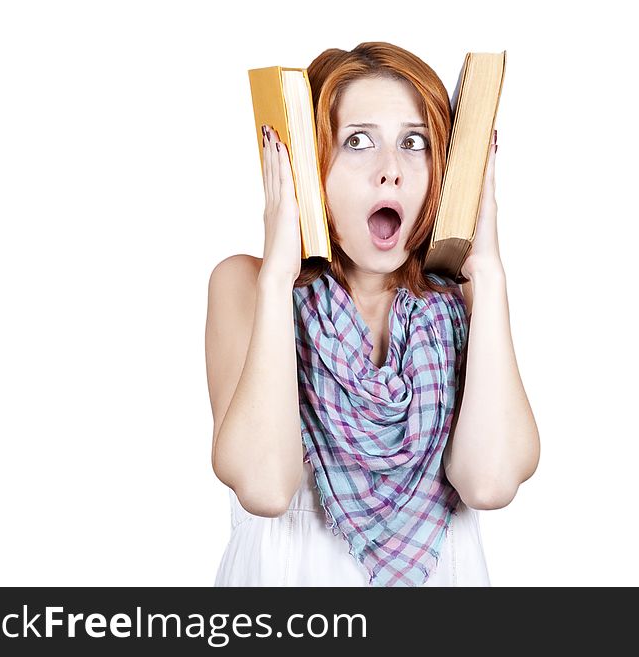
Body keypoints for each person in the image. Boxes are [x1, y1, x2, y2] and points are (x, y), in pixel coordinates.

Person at [205, 42, 540, 586]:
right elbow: (265, 486)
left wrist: (489, 270)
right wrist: (279, 273)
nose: (391, 172)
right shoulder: (246, 284)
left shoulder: (458, 301)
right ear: (310, 166)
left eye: (415, 142)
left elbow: (490, 482)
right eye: (358, 142)